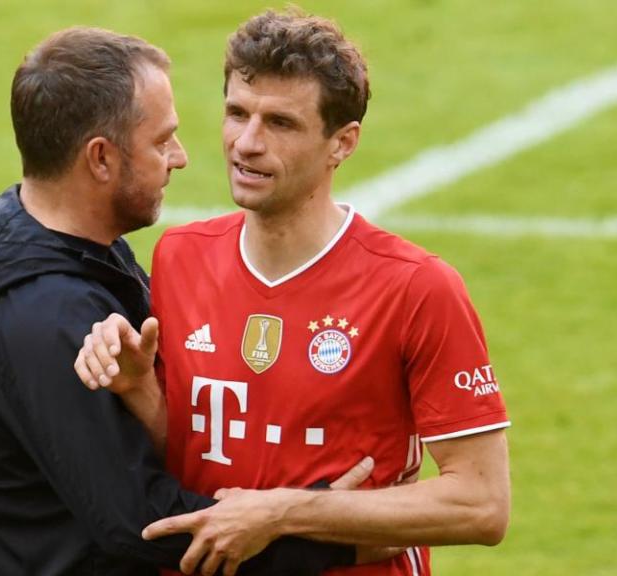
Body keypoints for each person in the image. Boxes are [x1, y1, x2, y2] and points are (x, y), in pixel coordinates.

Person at [0, 26, 360, 576]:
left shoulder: (44, 242)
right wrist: (336, 535)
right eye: (161, 140)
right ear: (100, 159)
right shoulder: (48, 317)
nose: (181, 157)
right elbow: (137, 522)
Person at [75, 9, 511, 576]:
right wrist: (139, 392)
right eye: (237, 113)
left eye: (280, 123)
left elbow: (481, 504)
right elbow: (199, 450)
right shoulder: (180, 255)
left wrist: (284, 512)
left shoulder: (415, 288)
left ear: (343, 143)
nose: (247, 143)